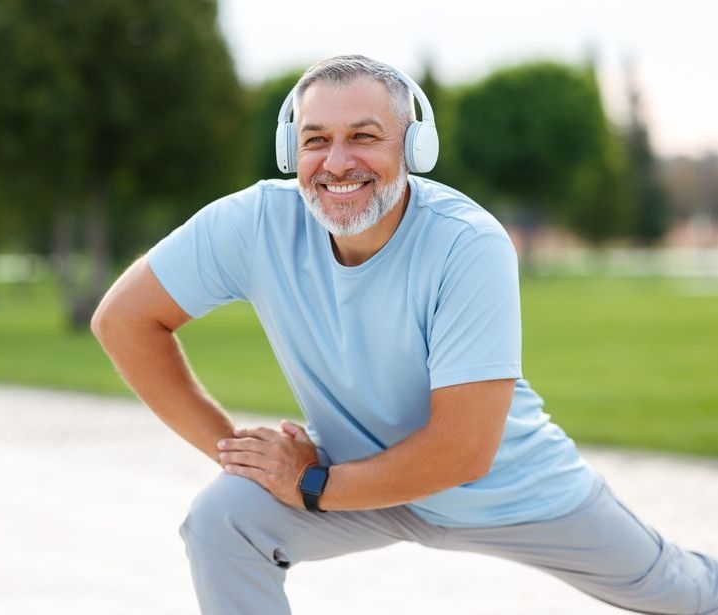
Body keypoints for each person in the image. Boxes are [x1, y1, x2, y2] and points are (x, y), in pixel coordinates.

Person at [91, 55, 717, 614]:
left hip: (508, 490)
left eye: (364, 136)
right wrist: (244, 458)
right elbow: (123, 320)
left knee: (680, 592)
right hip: (354, 481)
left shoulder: (466, 243)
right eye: (316, 140)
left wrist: (311, 485)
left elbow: (464, 449)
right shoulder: (254, 223)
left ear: (414, 148)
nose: (337, 162)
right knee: (222, 521)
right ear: (291, 152)